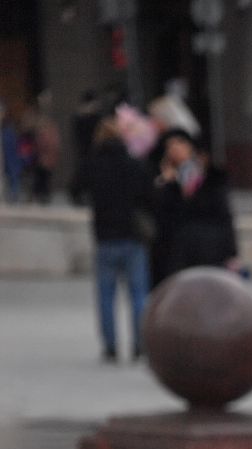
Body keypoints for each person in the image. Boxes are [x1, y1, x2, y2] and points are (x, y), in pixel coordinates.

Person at [82, 116, 153, 363]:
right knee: (138, 294)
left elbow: (74, 189)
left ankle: (110, 347)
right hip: (132, 235)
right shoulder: (134, 163)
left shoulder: (92, 164)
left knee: (105, 295)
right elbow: (148, 194)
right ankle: (138, 345)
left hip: (105, 236)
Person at [151, 132, 240, 285]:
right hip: (177, 252)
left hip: (209, 250)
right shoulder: (164, 178)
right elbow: (161, 214)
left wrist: (232, 252)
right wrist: (167, 184)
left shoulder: (212, 180)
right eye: (170, 147)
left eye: (179, 145)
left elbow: (224, 216)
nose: (175, 150)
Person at [27, 94, 60, 203]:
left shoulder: (47, 126)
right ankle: (40, 194)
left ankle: (42, 195)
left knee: (43, 177)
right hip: (41, 155)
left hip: (45, 155)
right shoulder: (39, 123)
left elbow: (52, 142)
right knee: (41, 177)